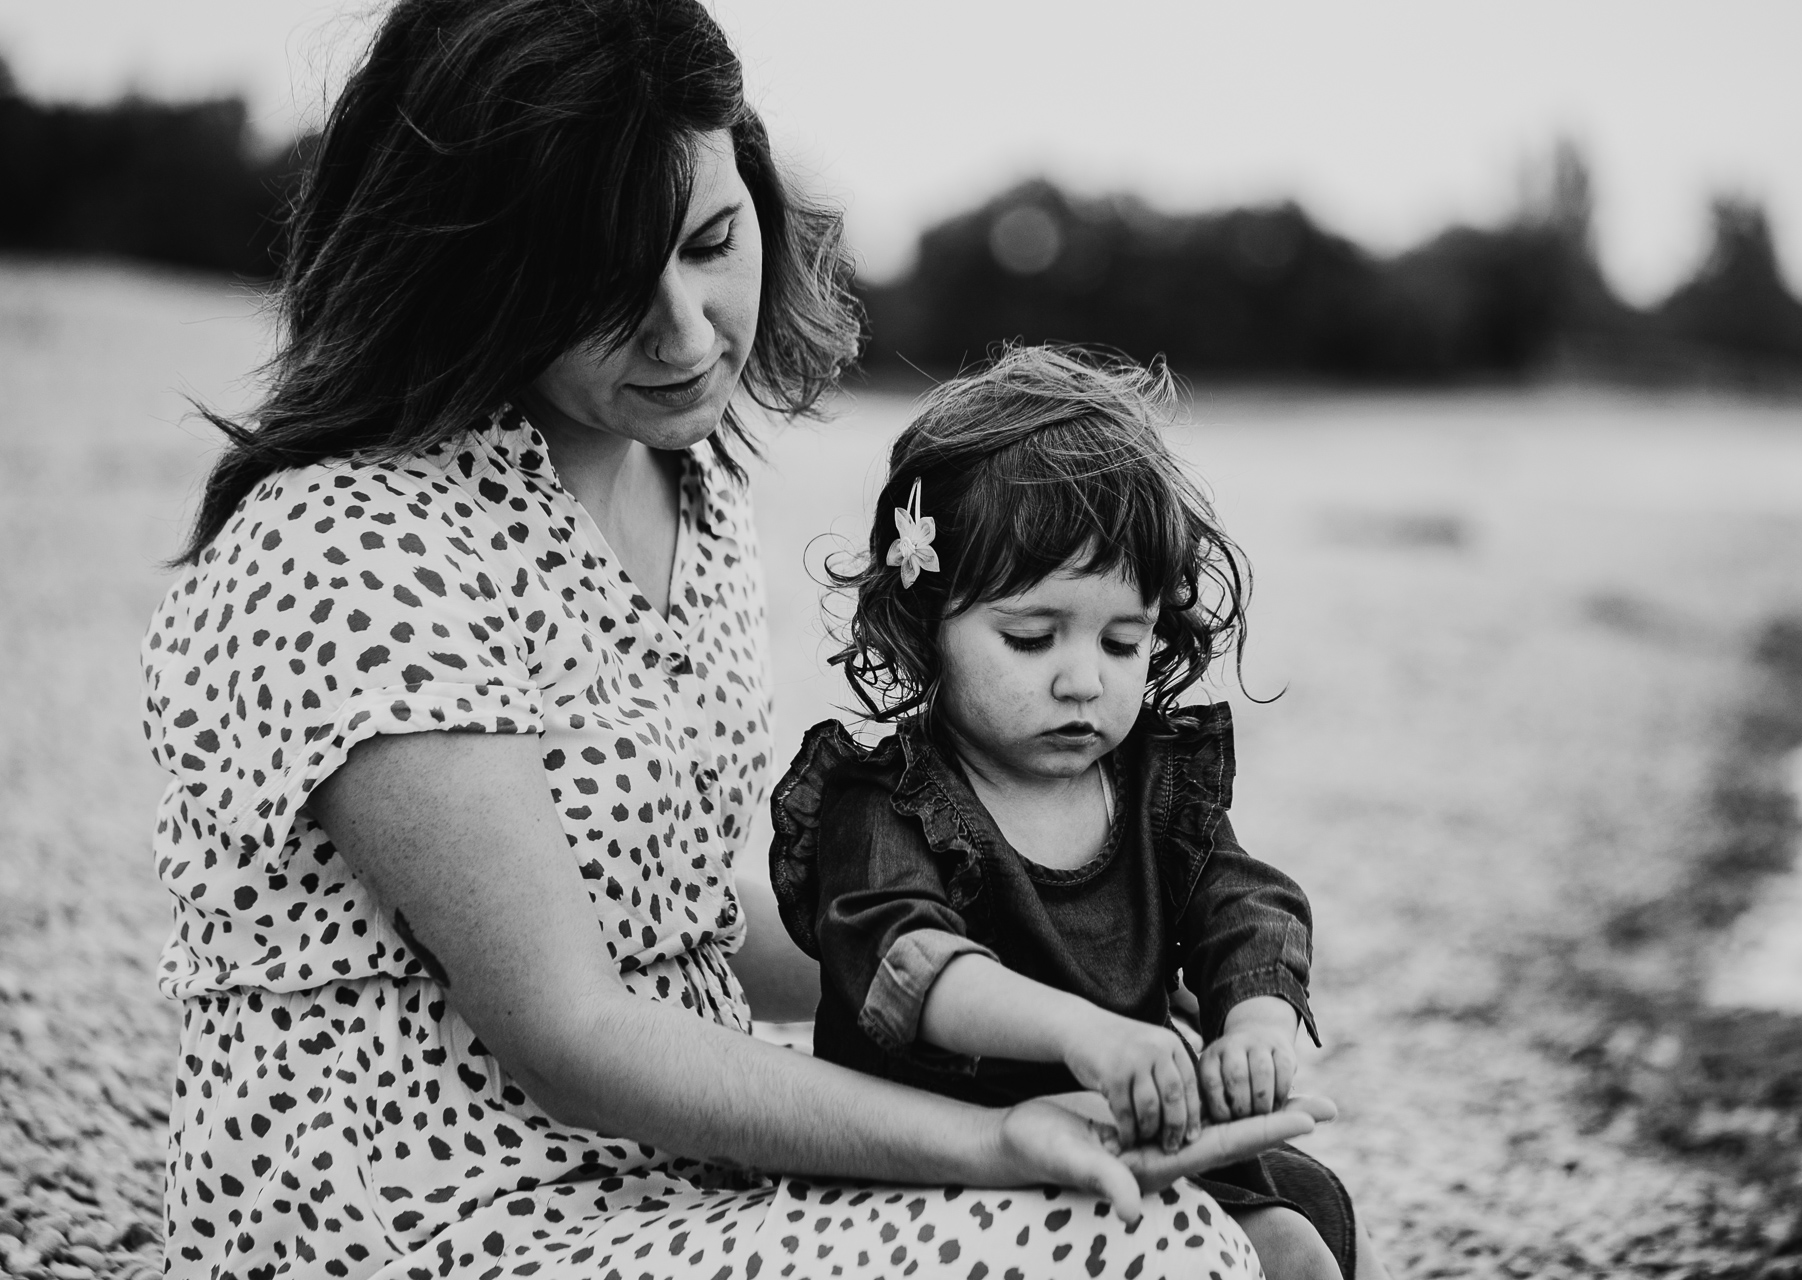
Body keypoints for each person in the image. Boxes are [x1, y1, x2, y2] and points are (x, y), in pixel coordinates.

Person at [139, 3, 1325, 1277]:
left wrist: (1079, 965)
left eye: (711, 241)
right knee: (1150, 1249)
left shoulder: (683, 484)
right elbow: (572, 1025)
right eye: (599, 287)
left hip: (670, 1153)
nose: (689, 330)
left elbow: (682, 922)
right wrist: (992, 1143)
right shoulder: (351, 547)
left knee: (1283, 1197)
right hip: (435, 1212)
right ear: (474, 270)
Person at [767, 347, 1391, 1280]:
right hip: (938, 1165)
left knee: (1318, 1215)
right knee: (1280, 1250)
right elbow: (910, 969)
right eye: (1031, 637)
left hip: (1127, 1129)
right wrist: (1084, 1033)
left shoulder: (1151, 789)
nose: (1082, 679)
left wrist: (1254, 1022)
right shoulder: (889, 801)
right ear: (922, 623)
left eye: (1122, 640)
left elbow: (1244, 904)